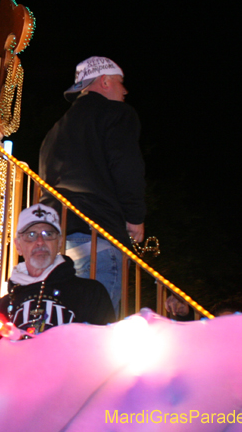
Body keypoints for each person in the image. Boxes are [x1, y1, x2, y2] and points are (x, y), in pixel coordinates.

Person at [38, 56, 146, 314]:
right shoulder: (116, 114)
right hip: (99, 235)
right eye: (121, 83)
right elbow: (126, 165)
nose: (125, 91)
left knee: (63, 328)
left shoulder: (54, 131)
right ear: (105, 81)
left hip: (57, 242)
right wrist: (135, 217)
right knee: (95, 335)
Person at [0, 204, 115, 353]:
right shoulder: (2, 307)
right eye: (31, 235)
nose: (40, 242)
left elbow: (106, 357)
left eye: (48, 234)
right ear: (18, 246)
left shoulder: (91, 294)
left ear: (59, 242)